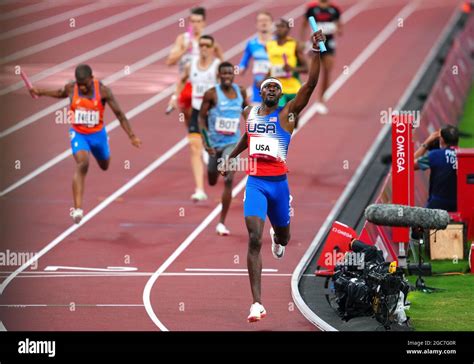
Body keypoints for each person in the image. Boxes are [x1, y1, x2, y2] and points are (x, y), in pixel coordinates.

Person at [221, 30, 326, 322]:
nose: (270, 90)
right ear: (261, 91)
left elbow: (311, 83)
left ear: (280, 95)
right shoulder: (249, 113)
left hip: (279, 186)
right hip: (255, 183)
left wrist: (316, 51)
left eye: (275, 88)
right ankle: (257, 303)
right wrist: (230, 157)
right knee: (253, 238)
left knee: (284, 236)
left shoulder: (288, 115)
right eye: (266, 86)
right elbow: (248, 137)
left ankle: (278, 238)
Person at [29, 64, 141, 223]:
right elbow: (60, 93)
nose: (83, 88)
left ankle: (104, 147)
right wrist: (40, 92)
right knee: (83, 163)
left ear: (91, 79)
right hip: (79, 134)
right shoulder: (71, 88)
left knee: (104, 165)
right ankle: (78, 210)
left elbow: (120, 115)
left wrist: (132, 136)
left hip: (98, 135)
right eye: (80, 85)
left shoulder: (103, 91)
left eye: (85, 85)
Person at [199, 61, 248, 236]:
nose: (227, 76)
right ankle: (211, 165)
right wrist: (206, 142)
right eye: (224, 73)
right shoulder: (211, 94)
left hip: (233, 143)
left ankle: (221, 222)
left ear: (233, 75)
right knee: (212, 179)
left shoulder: (240, 91)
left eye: (230, 73)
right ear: (219, 75)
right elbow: (201, 118)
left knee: (228, 178)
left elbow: (247, 111)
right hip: (214, 144)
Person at [173, 35, 221, 201]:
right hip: (196, 112)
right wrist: (174, 97)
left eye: (208, 45)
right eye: (201, 45)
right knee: (194, 147)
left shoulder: (217, 67)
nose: (204, 48)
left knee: (218, 153)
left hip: (214, 114)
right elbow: (182, 80)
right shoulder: (191, 65)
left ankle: (213, 156)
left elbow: (227, 86)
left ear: (213, 48)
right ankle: (199, 189)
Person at [166, 7, 223, 119]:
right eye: (192, 21)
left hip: (203, 84)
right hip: (186, 85)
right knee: (190, 121)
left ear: (204, 23)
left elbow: (222, 61)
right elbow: (169, 61)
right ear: (189, 23)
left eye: (198, 21)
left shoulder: (209, 42)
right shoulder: (183, 39)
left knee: (200, 120)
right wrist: (184, 50)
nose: (195, 24)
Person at [300, 0, 342, 114]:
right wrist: (302, 41)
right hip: (313, 42)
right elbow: (304, 24)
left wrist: (331, 28)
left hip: (329, 44)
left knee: (327, 72)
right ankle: (302, 97)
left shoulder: (335, 9)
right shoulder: (311, 8)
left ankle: (321, 101)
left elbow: (340, 29)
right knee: (310, 71)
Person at [266, 19, 308, 127]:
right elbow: (270, 67)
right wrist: (264, 79)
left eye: (282, 26)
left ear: (288, 29)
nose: (279, 29)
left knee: (294, 119)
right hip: (277, 88)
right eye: (278, 26)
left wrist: (292, 69)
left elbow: (306, 68)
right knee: (280, 116)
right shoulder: (269, 45)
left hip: (294, 87)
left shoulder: (294, 45)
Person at [414, 126, 459, 212]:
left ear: (441, 140)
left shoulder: (435, 155)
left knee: (419, 222)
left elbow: (408, 165)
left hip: (437, 205)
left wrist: (426, 143)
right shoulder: (464, 156)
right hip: (458, 205)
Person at [238, 11, 273, 105]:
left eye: (266, 20)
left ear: (271, 23)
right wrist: (240, 68)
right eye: (261, 21)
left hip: (274, 86)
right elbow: (243, 62)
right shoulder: (251, 44)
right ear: (256, 24)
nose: (263, 23)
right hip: (257, 86)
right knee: (257, 115)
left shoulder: (277, 42)